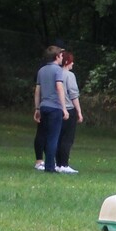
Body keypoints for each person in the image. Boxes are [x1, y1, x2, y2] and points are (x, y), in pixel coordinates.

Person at [32, 46, 69, 174]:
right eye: (61, 56)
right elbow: (59, 88)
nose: (62, 58)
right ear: (56, 57)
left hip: (44, 107)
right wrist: (64, 108)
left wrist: (37, 108)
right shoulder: (57, 70)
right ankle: (50, 167)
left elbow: (37, 91)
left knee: (43, 135)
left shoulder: (41, 70)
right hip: (55, 108)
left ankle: (42, 162)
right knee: (53, 137)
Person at [53, 47, 83, 174]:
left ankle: (57, 163)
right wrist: (79, 112)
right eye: (71, 61)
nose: (73, 63)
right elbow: (73, 95)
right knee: (67, 138)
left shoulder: (56, 73)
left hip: (56, 109)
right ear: (66, 62)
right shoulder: (70, 75)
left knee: (57, 137)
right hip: (68, 109)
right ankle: (64, 164)